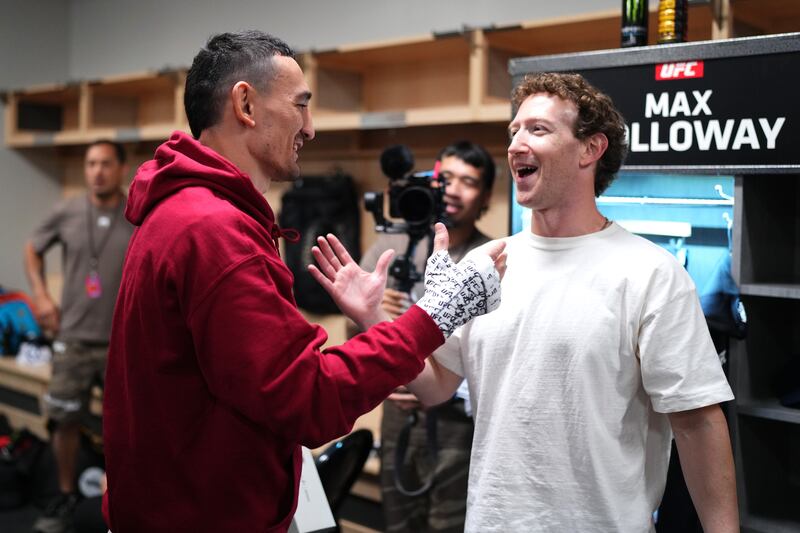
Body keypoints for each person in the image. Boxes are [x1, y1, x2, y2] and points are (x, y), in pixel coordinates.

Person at [101, 30, 506, 533]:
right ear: (245, 103)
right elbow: (308, 399)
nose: (310, 129)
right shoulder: (215, 231)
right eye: (300, 106)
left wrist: (378, 320)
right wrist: (433, 317)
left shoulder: (184, 211)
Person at [406, 72, 739, 532]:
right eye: (514, 131)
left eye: (537, 130)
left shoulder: (651, 273)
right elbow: (436, 384)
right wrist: (371, 318)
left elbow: (698, 422)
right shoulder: (485, 266)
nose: (516, 144)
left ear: (590, 149)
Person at [352, 141, 495, 533]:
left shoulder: (488, 258)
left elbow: (488, 351)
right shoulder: (392, 247)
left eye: (468, 182)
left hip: (456, 427)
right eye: (445, 178)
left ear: (484, 198)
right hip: (397, 415)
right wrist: (375, 311)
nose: (452, 189)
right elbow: (355, 331)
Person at [23, 139, 134, 533]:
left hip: (122, 343)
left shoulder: (136, 211)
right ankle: (66, 497)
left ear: (121, 168)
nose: (96, 171)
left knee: (124, 426)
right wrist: (40, 295)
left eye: (105, 163)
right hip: (72, 337)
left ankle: (118, 500)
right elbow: (32, 249)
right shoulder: (67, 211)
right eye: (90, 164)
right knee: (63, 421)